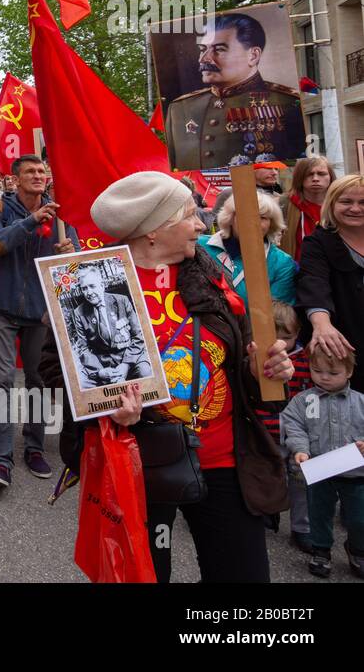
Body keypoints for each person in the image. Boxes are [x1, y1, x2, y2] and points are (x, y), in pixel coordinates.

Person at [91, 171, 295, 583]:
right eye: (189, 215)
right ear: (153, 231)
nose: (202, 224)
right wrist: (110, 409)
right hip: (140, 464)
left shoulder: (208, 273)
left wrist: (262, 372)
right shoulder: (89, 283)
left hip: (223, 460)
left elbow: (236, 361)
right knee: (142, 577)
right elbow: (56, 372)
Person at [0, 153, 76, 488]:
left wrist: (68, 254)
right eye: (31, 172)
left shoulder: (61, 215)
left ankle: (34, 446)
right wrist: (30, 221)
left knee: (38, 379)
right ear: (16, 179)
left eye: (42, 171)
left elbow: (72, 265)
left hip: (40, 310)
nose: (38, 175)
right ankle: (1, 459)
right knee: (2, 381)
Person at [164, 13, 307, 170]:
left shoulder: (289, 103)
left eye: (219, 50)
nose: (204, 59)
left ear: (253, 55)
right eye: (202, 49)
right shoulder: (179, 108)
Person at [279, 347, 364, 578]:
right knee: (318, 514)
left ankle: (357, 550)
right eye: (317, 371)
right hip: (320, 471)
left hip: (356, 474)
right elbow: (294, 426)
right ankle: (321, 551)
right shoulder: (304, 401)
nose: (324, 377)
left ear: (349, 372)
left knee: (359, 516)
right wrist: (300, 449)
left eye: (333, 373)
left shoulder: (360, 402)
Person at [295, 174, 364, 395]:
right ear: (332, 203)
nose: (355, 208)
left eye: (362, 202)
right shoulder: (318, 242)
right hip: (346, 345)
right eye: (346, 202)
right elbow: (313, 282)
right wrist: (322, 324)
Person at [264, 302, 314, 553]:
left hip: (299, 436)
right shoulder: (260, 359)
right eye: (276, 337)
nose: (282, 344)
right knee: (270, 476)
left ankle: (302, 528)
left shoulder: (307, 360)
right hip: (270, 430)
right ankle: (268, 511)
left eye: (288, 337)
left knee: (301, 480)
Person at [200, 190, 296, 305]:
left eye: (262, 217)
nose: (254, 222)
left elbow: (277, 316)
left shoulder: (282, 263)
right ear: (230, 218)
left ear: (272, 224)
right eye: (246, 215)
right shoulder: (199, 247)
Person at [68, 266, 151, 387]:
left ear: (102, 285)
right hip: (102, 364)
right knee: (81, 384)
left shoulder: (122, 301)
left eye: (92, 286)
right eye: (84, 288)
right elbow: (83, 348)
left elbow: (138, 336)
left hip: (130, 357)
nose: (89, 293)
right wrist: (100, 372)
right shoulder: (79, 312)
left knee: (146, 373)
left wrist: (126, 364)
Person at [282, 155, 334, 262]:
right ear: (299, 177)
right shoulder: (284, 204)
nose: (315, 179)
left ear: (330, 177)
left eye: (321, 174)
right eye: (309, 174)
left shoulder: (340, 205)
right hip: (295, 271)